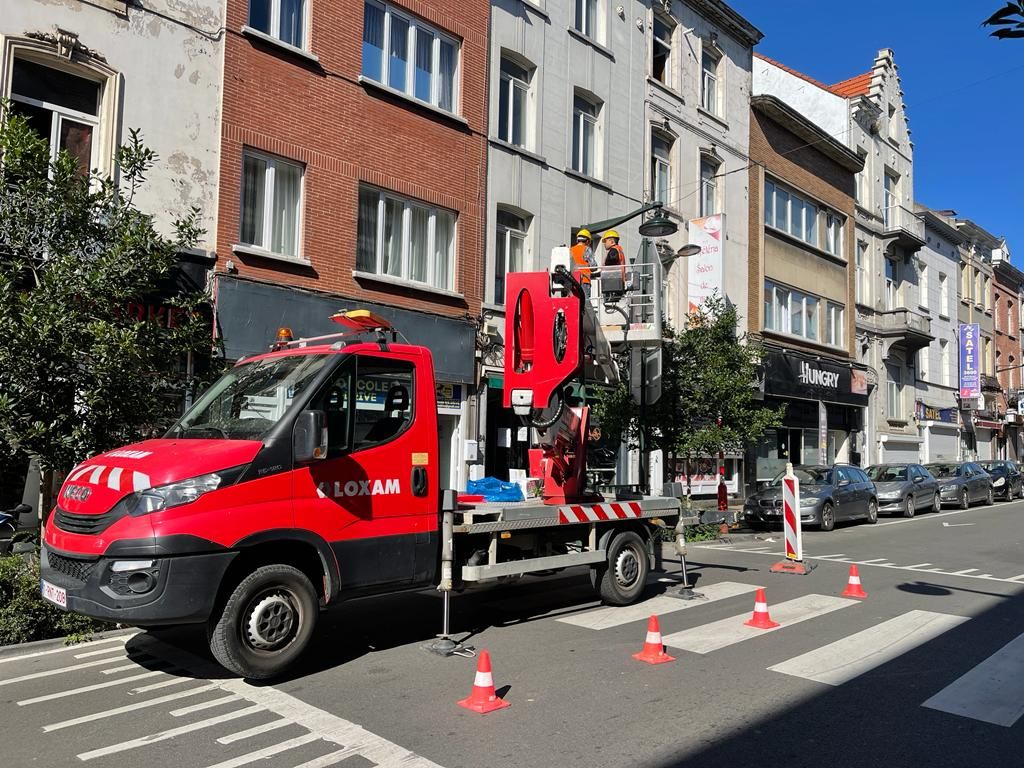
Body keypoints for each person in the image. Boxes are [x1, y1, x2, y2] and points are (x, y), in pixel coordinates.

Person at [569, 229, 598, 298]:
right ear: (587, 241)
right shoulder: (586, 249)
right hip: (584, 280)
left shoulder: (570, 250)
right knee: (585, 303)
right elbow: (593, 266)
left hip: (572, 281)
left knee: (574, 303)